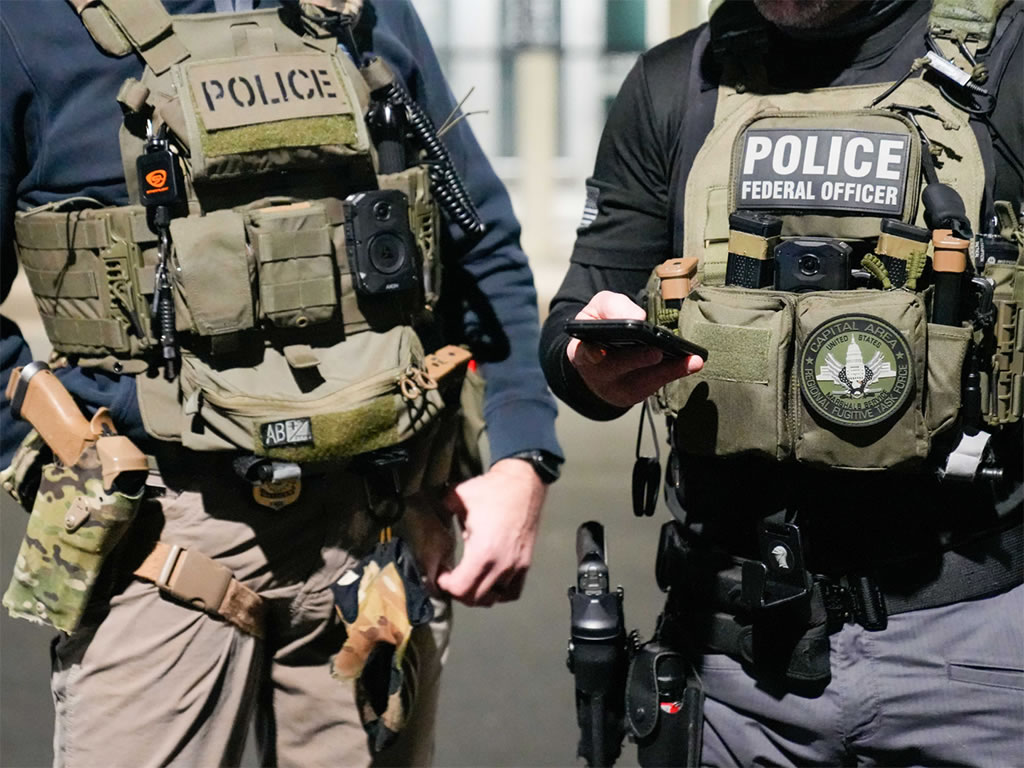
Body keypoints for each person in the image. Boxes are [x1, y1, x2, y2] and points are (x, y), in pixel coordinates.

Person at [0, 0, 563, 765]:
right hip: (158, 541)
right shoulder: (28, 23)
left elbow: (478, 238)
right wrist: (62, 456)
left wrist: (519, 452)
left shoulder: (364, 11)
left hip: (372, 529)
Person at [543, 0, 1023, 765]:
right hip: (738, 661)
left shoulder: (1011, 56)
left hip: (973, 652)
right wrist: (590, 363)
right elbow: (576, 321)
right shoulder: (679, 81)